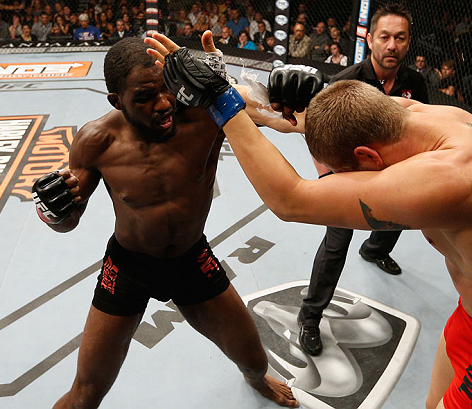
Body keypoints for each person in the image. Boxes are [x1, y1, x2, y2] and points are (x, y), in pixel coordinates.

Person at [147, 33, 472, 409]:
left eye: (344, 173)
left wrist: (219, 103)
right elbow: (302, 119)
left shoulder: (450, 180)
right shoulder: (428, 118)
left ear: (367, 160)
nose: (340, 182)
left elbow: (290, 200)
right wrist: (224, 81)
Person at [31, 36, 298, 408]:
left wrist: (289, 96)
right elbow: (68, 221)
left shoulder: (205, 114)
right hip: (128, 268)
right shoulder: (97, 141)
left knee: (255, 361)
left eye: (166, 89)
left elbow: (281, 119)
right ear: (117, 101)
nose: (163, 104)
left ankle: (257, 381)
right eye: (143, 97)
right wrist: (52, 210)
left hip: (192, 259)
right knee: (86, 392)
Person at [301, 2, 430, 356]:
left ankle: (374, 250)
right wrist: (327, 176)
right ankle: (310, 316)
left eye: (400, 38)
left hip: (394, 173)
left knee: (398, 220)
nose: (392, 45)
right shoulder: (346, 82)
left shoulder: (415, 83)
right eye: (385, 37)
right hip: (348, 175)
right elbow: (315, 129)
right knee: (335, 243)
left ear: (407, 42)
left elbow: (422, 126)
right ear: (370, 39)